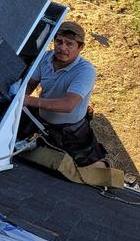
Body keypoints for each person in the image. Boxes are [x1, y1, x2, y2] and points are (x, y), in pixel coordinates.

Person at [23, 20, 108, 167]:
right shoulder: (45, 58)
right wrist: (17, 98)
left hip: (71, 132)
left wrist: (27, 100)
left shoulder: (85, 71)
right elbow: (30, 85)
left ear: (80, 47)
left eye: (69, 44)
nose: (62, 48)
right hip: (41, 122)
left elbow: (68, 105)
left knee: (83, 169)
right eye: (59, 41)